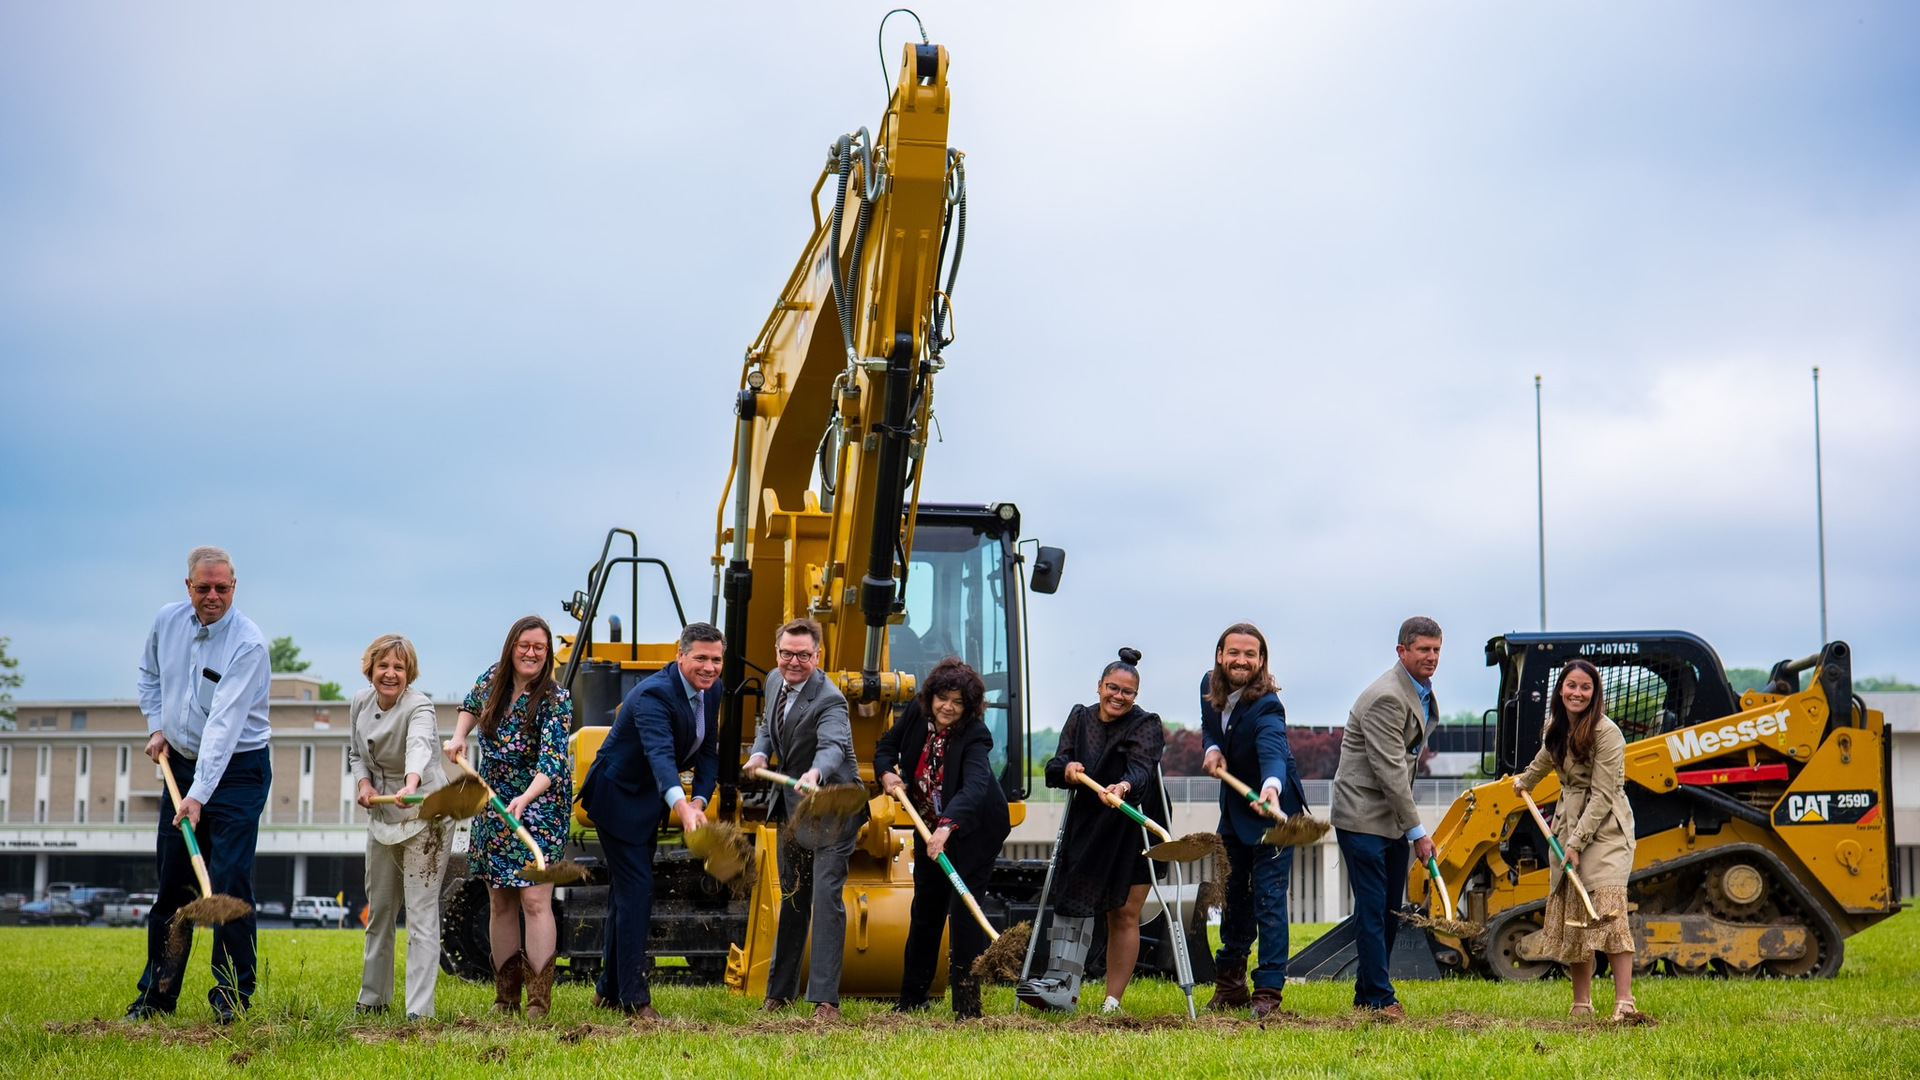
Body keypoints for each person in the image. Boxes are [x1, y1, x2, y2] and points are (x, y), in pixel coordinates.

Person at [126, 546, 274, 1024]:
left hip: (239, 771)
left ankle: (231, 998)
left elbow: (224, 727)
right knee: (174, 887)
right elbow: (150, 675)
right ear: (188, 586)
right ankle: (156, 997)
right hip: (182, 765)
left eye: (222, 588)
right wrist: (157, 726)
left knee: (228, 883)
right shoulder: (166, 622)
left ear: (234, 587)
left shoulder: (248, 644)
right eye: (204, 587)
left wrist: (198, 796)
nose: (213, 596)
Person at [578, 622, 723, 1020]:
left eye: (716, 659)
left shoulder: (712, 691)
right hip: (618, 797)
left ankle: (607, 990)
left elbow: (708, 752)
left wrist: (699, 801)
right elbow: (660, 756)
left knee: (624, 895)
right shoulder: (653, 695)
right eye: (700, 658)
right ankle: (634, 999)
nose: (709, 667)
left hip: (648, 802)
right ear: (680, 656)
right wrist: (681, 807)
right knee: (637, 892)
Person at [1019, 647, 1167, 1015]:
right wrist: (1068, 769)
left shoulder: (1146, 724)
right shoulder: (1080, 717)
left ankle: (1112, 1002)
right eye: (1112, 688)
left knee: (1124, 913)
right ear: (1099, 686)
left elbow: (1142, 770)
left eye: (1127, 692)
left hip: (1134, 825)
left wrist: (1123, 787)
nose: (1118, 696)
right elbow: (1054, 767)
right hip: (1089, 826)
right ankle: (1061, 987)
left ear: (1135, 695)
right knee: (1072, 900)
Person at [443, 615, 573, 1020]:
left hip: (540, 804)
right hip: (494, 800)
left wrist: (525, 798)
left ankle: (538, 1002)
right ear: (511, 648)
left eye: (539, 647)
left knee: (534, 899)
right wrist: (459, 735)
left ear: (547, 653)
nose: (531, 653)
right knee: (500, 899)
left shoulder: (556, 698)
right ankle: (505, 998)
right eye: (524, 646)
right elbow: (470, 706)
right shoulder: (493, 679)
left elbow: (552, 762)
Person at [875, 657, 1011, 1020]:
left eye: (957, 702)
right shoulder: (916, 714)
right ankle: (912, 998)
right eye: (942, 698)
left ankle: (967, 1008)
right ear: (930, 697)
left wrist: (947, 827)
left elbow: (975, 787)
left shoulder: (975, 735)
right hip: (928, 826)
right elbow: (886, 746)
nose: (947, 707)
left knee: (964, 915)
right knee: (926, 910)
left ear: (969, 707)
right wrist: (886, 773)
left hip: (972, 832)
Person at [741, 617, 863, 1020]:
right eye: (787, 653)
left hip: (831, 807)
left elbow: (833, 746)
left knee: (825, 899)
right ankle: (780, 993)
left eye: (804, 655)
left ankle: (825, 1001)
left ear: (818, 655)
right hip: (791, 808)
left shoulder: (831, 700)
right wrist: (760, 753)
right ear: (776, 652)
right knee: (793, 896)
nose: (794, 662)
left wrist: (815, 773)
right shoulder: (774, 680)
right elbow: (767, 725)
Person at [1512, 658, 1640, 1020]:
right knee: (1576, 911)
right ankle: (1581, 1003)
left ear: (1595, 693)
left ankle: (1624, 1002)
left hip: (1606, 828)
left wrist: (1576, 843)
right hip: (1568, 823)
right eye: (1572, 685)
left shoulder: (1607, 733)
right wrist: (1525, 781)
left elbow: (1602, 795)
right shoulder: (1557, 727)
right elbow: (1544, 759)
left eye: (1586, 687)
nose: (1578, 693)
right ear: (1561, 690)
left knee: (1609, 910)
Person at [1330, 616, 1443, 1020]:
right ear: (1402, 651)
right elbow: (1391, 770)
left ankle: (1366, 994)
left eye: (1436, 649)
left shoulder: (1419, 690)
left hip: (1390, 816)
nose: (1431, 657)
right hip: (1361, 815)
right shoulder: (1387, 697)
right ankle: (1380, 997)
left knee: (1388, 910)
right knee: (1374, 908)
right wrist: (1418, 832)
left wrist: (1407, 826)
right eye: (1423, 649)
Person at [1197, 623, 1301, 1018]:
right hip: (1235, 808)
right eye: (1234, 653)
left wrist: (1271, 787)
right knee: (1232, 893)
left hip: (1273, 811)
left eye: (1250, 655)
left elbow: (1273, 749)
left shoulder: (1268, 706)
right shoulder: (1208, 686)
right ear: (1220, 656)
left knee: (1268, 900)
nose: (1241, 661)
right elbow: (1210, 726)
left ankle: (1268, 993)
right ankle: (1231, 986)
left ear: (1261, 661)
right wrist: (1211, 748)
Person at [347, 633, 448, 1020]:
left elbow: (418, 745)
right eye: (383, 666)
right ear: (370, 669)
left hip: (425, 812)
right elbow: (356, 754)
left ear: (410, 673)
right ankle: (373, 998)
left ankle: (419, 1010)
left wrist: (411, 783)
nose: (390, 674)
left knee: (420, 912)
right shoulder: (359, 702)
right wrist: (364, 784)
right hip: (382, 813)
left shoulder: (420, 706)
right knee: (380, 909)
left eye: (399, 668)